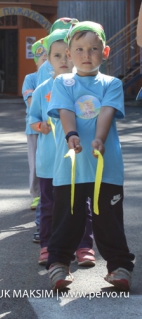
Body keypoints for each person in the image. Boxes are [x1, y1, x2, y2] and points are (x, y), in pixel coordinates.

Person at [46, 21, 135, 291]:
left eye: (94, 49)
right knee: (67, 219)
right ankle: (59, 265)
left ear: (105, 52)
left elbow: (107, 111)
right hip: (70, 168)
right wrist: (71, 134)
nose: (86, 55)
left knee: (109, 221)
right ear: (69, 54)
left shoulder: (112, 83)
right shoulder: (62, 82)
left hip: (106, 167)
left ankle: (119, 267)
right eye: (80, 49)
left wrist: (100, 138)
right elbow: (65, 111)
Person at [29, 29, 94, 268]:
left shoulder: (83, 85)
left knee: (82, 204)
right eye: (56, 56)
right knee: (49, 205)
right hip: (50, 161)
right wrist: (40, 126)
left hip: (78, 159)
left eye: (66, 55)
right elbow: (32, 119)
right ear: (48, 59)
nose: (63, 61)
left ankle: (84, 246)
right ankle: (47, 245)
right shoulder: (42, 89)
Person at [23, 38, 45, 244]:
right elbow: (32, 102)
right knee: (36, 162)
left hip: (54, 128)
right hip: (35, 127)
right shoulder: (31, 78)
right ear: (36, 61)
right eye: (42, 58)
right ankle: (36, 193)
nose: (46, 61)